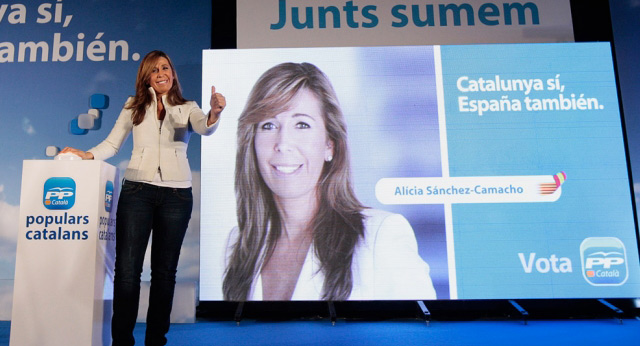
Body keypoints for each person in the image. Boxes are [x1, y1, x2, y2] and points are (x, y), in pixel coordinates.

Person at [223, 62, 435, 301]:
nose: (283, 142)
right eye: (268, 125)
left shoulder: (381, 236)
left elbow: (421, 334)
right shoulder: (238, 243)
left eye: (301, 124)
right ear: (251, 143)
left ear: (329, 145)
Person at [62, 50, 225, 346]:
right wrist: (85, 155)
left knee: (164, 273)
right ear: (147, 77)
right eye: (154, 70)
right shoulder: (133, 106)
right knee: (127, 271)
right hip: (138, 192)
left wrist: (215, 113)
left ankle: (155, 341)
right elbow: (112, 143)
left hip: (177, 196)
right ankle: (122, 341)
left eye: (166, 67)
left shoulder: (188, 107)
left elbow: (205, 127)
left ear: (172, 73)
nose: (161, 73)